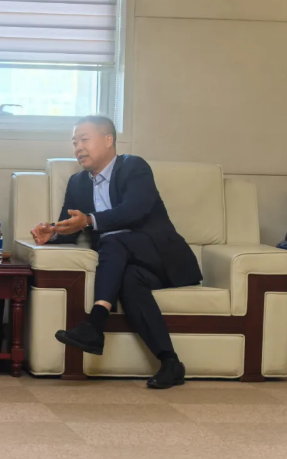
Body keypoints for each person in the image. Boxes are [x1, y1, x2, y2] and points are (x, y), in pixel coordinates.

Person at [30, 115, 202, 389]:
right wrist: (53, 232)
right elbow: (71, 226)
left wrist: (89, 220)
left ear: (108, 140)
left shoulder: (134, 166)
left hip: (163, 257)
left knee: (111, 241)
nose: (78, 147)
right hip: (129, 265)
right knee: (129, 282)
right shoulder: (77, 182)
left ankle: (95, 323)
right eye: (74, 142)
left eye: (84, 140)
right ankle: (170, 363)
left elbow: (135, 211)